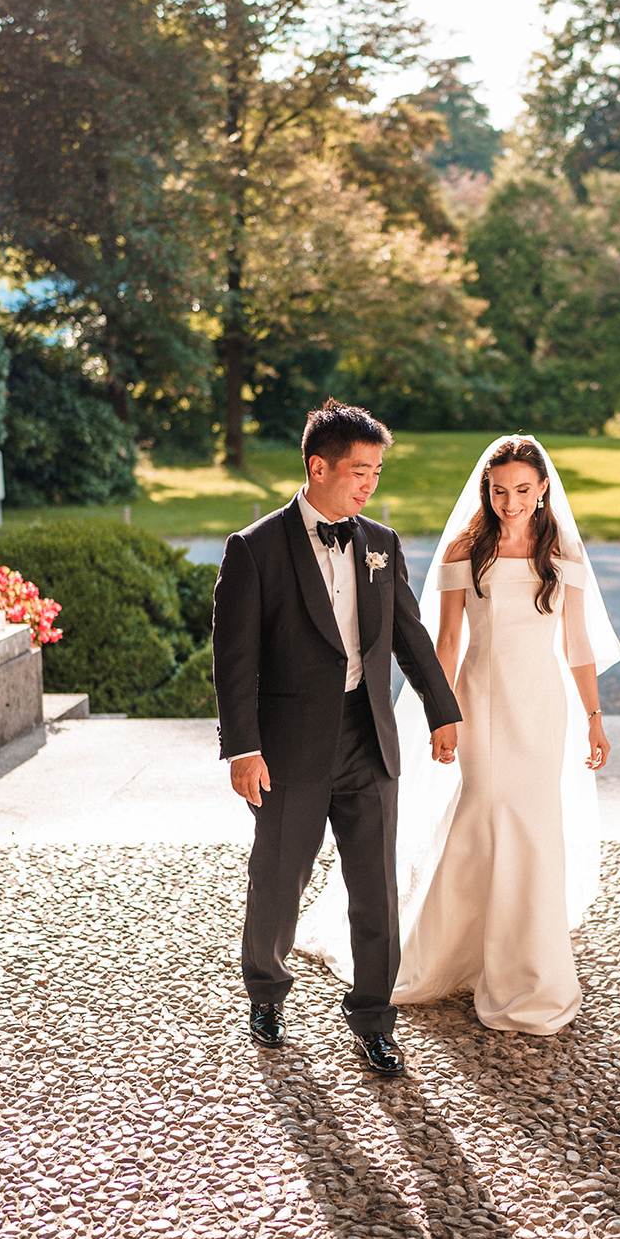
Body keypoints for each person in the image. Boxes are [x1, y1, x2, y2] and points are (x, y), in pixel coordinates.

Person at [298, 436, 620, 1035]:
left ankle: (529, 963)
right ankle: (454, 949)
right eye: (500, 491)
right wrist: (437, 714)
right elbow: (444, 645)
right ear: (486, 489)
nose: (511, 502)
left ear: (544, 488)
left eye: (523, 490)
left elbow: (577, 646)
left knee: (534, 821)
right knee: (485, 810)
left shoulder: (563, 553)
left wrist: (595, 718)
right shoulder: (464, 549)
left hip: (541, 707)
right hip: (478, 704)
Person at [211, 399, 461, 1077]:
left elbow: (407, 634)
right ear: (317, 467)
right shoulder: (254, 549)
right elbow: (234, 663)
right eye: (358, 471)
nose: (369, 484)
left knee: (375, 888)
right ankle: (265, 991)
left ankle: (374, 1019)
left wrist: (442, 710)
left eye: (376, 472)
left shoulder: (380, 544)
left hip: (367, 739)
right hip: (288, 749)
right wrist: (242, 748)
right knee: (277, 880)